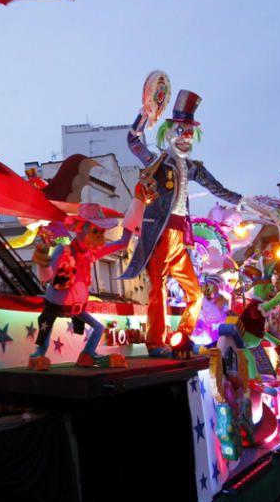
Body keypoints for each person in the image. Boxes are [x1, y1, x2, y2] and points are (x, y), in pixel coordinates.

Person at [121, 83, 244, 357]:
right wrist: (144, 114)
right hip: (161, 234)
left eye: (189, 135)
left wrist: (244, 202)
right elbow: (132, 141)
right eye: (180, 133)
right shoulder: (156, 161)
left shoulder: (193, 167)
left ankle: (182, 336)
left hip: (181, 238)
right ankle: (156, 343)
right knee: (159, 289)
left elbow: (218, 189)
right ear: (168, 133)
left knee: (195, 293)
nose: (185, 139)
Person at [28, 203, 129, 370]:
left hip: (76, 308)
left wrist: (135, 217)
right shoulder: (63, 250)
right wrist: (42, 260)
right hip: (56, 304)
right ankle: (38, 354)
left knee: (98, 327)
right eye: (96, 231)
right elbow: (48, 277)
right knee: (47, 327)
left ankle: (87, 355)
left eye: (101, 232)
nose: (100, 236)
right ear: (81, 230)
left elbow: (122, 243)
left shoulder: (90, 253)